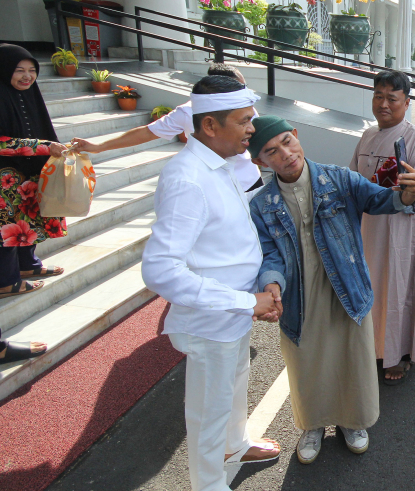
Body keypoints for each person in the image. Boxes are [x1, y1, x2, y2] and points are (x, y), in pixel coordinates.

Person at [247, 116, 415, 463]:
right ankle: (313, 425)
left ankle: (352, 422)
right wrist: (272, 285)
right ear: (259, 161)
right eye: (271, 151)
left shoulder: (340, 179)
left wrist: (406, 193)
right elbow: (269, 256)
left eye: (287, 141)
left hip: (348, 290)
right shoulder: (260, 204)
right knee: (307, 365)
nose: (285, 154)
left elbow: (380, 200)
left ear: (296, 135)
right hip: (299, 300)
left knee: (352, 361)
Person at [141, 76, 281, 491]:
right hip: (212, 320)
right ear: (209, 126)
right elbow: (161, 270)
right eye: (243, 121)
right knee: (209, 410)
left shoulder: (221, 164)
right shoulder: (187, 178)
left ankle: (235, 446)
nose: (252, 129)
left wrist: (257, 294)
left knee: (233, 388)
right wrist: (246, 302)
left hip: (233, 313)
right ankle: (208, 484)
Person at [349, 71, 415, 384]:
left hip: (400, 233)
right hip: (368, 230)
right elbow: (352, 180)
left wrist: (411, 189)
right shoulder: (367, 135)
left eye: (392, 98)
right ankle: (372, 347)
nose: (383, 104)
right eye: (378, 96)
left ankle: (399, 354)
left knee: (398, 291)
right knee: (370, 288)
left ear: (407, 102)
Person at [72, 63, 263, 192]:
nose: (249, 128)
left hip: (249, 181)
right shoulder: (183, 177)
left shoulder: (246, 108)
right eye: (241, 86)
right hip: (215, 187)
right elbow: (146, 133)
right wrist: (99, 147)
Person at [0, 44, 69, 362]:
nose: (27, 77)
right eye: (19, 71)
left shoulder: (30, 95)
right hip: (5, 176)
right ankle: (7, 280)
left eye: (32, 71)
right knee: (8, 230)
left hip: (26, 172)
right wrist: (40, 146)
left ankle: (27, 264)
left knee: (27, 222)